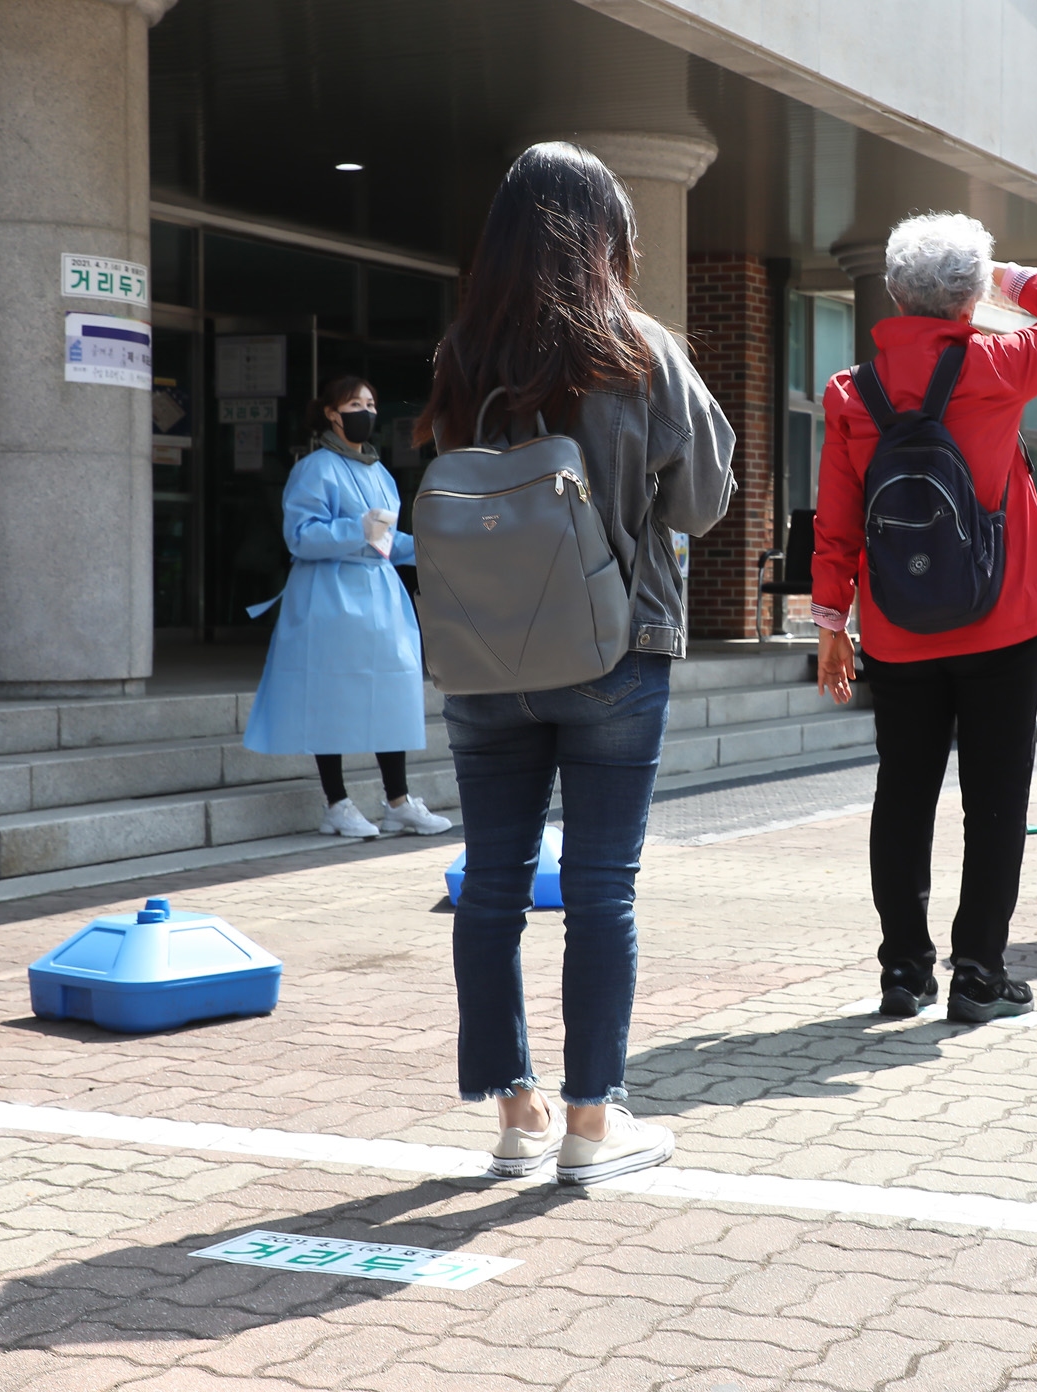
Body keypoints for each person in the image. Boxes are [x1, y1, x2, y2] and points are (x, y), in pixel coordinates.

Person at [415, 143, 735, 1184]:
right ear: (606, 237)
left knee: (491, 886)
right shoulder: (636, 348)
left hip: (483, 658)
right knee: (601, 887)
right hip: (613, 649)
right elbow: (700, 502)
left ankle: (515, 1113)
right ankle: (595, 1122)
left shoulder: (464, 354)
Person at [813, 212, 1037, 1022]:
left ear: (896, 294)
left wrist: (833, 625)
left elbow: (836, 522)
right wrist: (1005, 275)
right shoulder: (999, 363)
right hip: (1003, 621)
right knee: (995, 800)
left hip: (899, 629)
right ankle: (979, 972)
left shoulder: (850, 391)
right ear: (967, 297)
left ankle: (903, 972)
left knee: (902, 794)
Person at [243, 376, 452, 840]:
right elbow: (300, 536)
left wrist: (432, 550)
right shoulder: (314, 469)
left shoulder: (378, 472)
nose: (366, 410)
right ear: (332, 414)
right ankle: (336, 803)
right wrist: (354, 529)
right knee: (329, 697)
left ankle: (398, 802)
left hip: (378, 595)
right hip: (329, 595)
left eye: (371, 403)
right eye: (354, 403)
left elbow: (383, 542)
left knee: (392, 694)